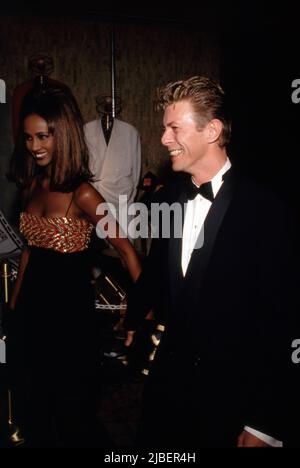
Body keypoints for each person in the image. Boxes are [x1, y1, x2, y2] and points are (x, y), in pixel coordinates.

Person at [124, 76, 298, 448]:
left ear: (212, 131)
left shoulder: (266, 210)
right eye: (164, 129)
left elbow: (284, 324)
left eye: (174, 128)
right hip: (167, 395)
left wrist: (265, 424)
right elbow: (159, 269)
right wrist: (134, 316)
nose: (163, 140)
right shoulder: (169, 195)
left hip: (231, 402)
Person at [6, 85, 141, 447]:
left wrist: (141, 309)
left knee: (72, 412)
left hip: (68, 318)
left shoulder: (83, 194)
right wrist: (14, 308)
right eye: (29, 137)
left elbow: (126, 251)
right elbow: (30, 252)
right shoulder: (31, 185)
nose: (35, 146)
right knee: (34, 405)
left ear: (61, 134)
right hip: (31, 312)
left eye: (43, 136)